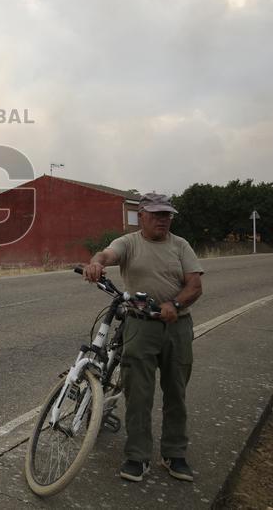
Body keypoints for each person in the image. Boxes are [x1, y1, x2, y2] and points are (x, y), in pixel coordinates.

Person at [83, 192, 203, 483]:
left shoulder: (180, 245)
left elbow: (195, 285)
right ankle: (137, 456)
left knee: (176, 392)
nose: (164, 220)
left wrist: (174, 305)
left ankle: (174, 453)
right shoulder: (130, 243)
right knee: (138, 394)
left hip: (177, 327)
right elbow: (107, 254)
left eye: (168, 215)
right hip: (140, 326)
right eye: (158, 215)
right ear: (142, 216)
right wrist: (96, 263)